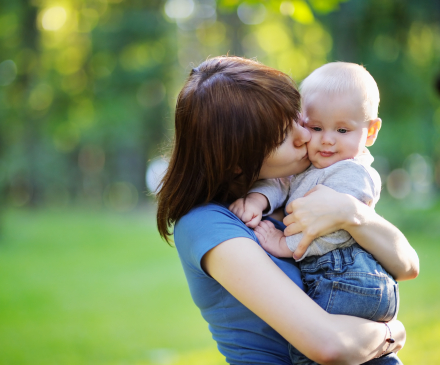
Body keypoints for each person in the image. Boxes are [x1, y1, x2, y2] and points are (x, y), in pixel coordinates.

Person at [156, 56, 419, 365]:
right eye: (283, 135)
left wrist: (352, 212)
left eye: (297, 117)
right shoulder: (207, 224)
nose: (307, 135)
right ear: (238, 160)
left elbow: (407, 266)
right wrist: (393, 334)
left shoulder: (317, 187)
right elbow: (330, 345)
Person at [229, 62, 404, 365]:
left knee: (308, 352)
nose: (327, 139)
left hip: (350, 278)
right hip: (337, 278)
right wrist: (257, 200)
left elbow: (333, 229)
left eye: (342, 130)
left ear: (371, 131)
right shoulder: (313, 164)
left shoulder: (353, 173)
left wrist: (286, 244)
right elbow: (280, 183)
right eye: (316, 127)